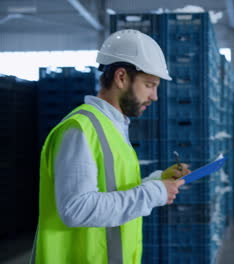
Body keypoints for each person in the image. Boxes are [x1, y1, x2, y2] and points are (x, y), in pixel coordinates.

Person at [30, 29, 190, 263]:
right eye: (149, 85)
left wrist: (157, 182)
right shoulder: (80, 129)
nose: (154, 96)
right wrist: (153, 193)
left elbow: (111, 191)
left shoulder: (113, 126)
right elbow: (77, 208)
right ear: (121, 77)